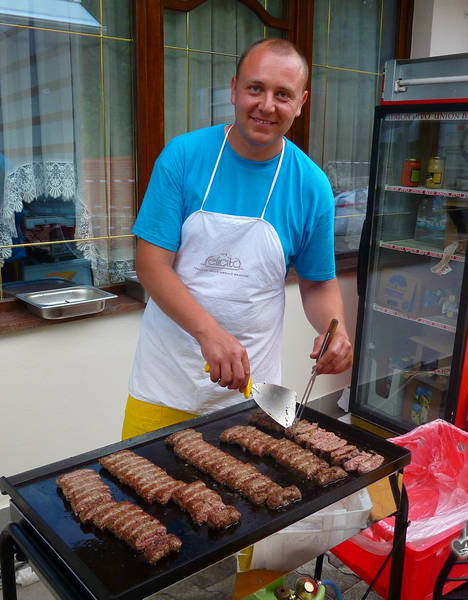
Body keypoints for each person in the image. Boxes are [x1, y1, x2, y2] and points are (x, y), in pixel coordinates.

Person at [123, 38, 353, 440]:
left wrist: (336, 330)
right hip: (164, 381)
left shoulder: (311, 185)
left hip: (257, 390)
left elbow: (318, 282)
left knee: (263, 478)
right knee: (139, 478)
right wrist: (209, 333)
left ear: (301, 103)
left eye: (283, 95)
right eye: (255, 88)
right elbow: (151, 264)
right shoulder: (183, 156)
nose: (267, 105)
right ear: (234, 89)